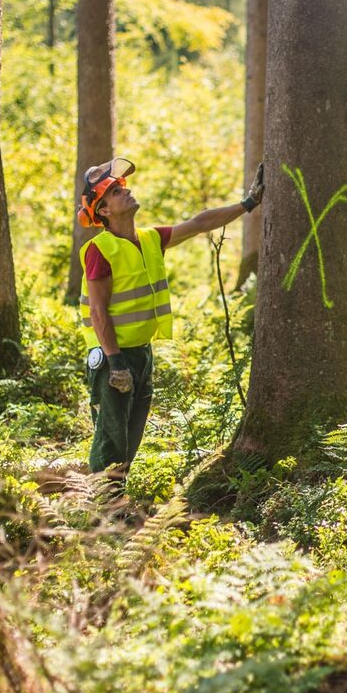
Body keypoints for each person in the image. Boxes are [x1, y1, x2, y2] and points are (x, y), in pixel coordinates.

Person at [77, 157, 265, 474]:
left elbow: (200, 223)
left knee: (131, 437)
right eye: (115, 191)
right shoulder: (102, 248)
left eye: (123, 186)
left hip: (141, 353)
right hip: (113, 357)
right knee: (112, 440)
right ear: (104, 211)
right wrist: (116, 362)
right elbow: (98, 311)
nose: (126, 191)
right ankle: (104, 510)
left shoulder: (150, 239)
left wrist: (249, 202)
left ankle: (114, 506)